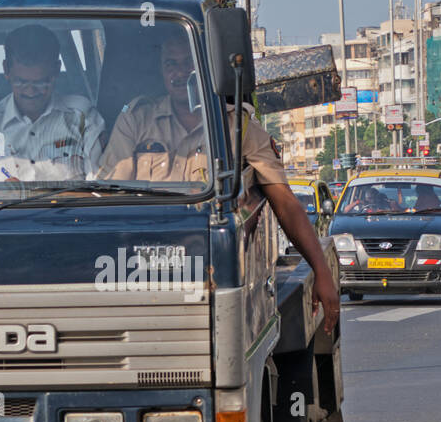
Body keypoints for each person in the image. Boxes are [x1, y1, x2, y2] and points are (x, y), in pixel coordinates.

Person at [99, 29, 338, 331]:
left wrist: (322, 271)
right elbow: (109, 197)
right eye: (170, 64)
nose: (179, 73)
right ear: (161, 70)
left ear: (205, 70)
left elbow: (285, 203)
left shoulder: (238, 127)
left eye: (189, 64)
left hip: (211, 271)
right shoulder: (136, 120)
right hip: (139, 269)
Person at [0, 24, 105, 182]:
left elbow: (98, 189)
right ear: (6, 70)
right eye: (20, 82)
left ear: (56, 71)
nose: (30, 92)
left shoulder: (83, 119)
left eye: (41, 83)